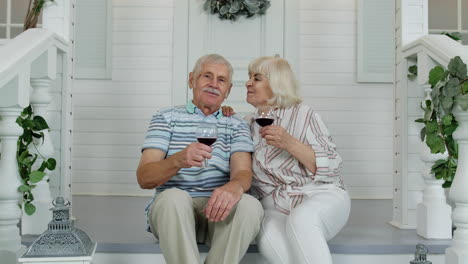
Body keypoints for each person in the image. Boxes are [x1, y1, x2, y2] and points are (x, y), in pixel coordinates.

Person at [136, 54, 264, 264]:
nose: (214, 84)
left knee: (250, 205)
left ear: (228, 90)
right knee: (173, 197)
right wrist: (179, 159)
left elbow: (242, 173)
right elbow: (144, 177)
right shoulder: (166, 117)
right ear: (191, 80)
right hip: (173, 214)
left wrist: (235, 186)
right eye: (207, 76)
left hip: (217, 210)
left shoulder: (236, 124)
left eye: (221, 80)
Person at [223, 56, 350, 264]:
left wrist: (290, 143)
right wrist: (222, 116)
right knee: (268, 239)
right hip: (274, 206)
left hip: (319, 194)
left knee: (301, 220)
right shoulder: (246, 124)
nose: (247, 83)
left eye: (256, 78)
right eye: (249, 78)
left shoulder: (303, 113)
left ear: (276, 83)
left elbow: (333, 166)